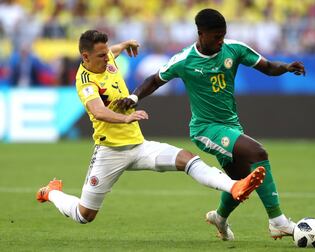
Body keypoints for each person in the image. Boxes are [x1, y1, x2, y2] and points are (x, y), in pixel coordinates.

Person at [36, 30, 266, 226]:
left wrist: (124, 45)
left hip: (139, 146)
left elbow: (112, 51)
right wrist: (125, 118)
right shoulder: (85, 81)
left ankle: (235, 186)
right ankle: (51, 192)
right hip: (110, 152)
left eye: (107, 53)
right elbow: (98, 111)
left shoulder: (107, 59)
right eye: (101, 55)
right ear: (85, 57)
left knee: (187, 159)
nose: (107, 58)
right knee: (84, 215)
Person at [117, 9, 306, 241]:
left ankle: (219, 216)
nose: (220, 41)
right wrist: (134, 98)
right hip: (205, 129)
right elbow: (154, 80)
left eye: (223, 35)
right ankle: (278, 222)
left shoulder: (234, 49)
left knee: (241, 182)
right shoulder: (184, 60)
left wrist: (285, 67)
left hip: (231, 126)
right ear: (200, 34)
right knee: (258, 152)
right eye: (216, 36)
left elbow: (267, 67)